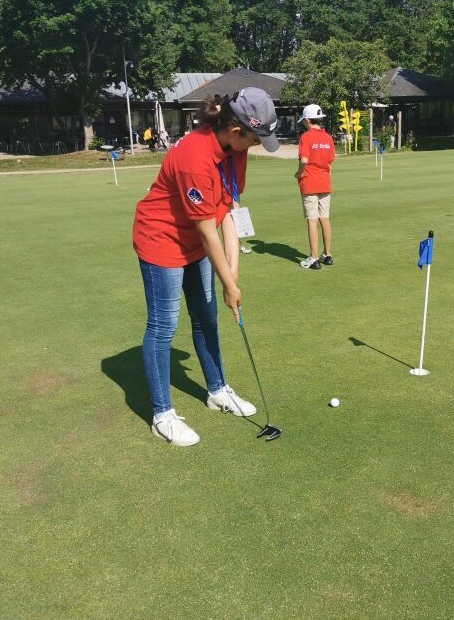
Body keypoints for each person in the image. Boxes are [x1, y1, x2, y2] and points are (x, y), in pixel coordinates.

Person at [132, 87, 280, 446]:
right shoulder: (194, 156)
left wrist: (234, 274)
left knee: (207, 316)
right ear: (236, 130)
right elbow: (205, 231)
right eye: (258, 137)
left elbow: (228, 212)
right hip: (162, 239)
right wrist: (228, 285)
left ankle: (217, 391)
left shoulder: (237, 151)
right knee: (164, 325)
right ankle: (162, 415)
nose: (261, 144)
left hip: (198, 240)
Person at [295, 103, 335, 270]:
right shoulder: (328, 137)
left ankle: (313, 258)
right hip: (325, 182)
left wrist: (298, 173)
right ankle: (327, 255)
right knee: (324, 219)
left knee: (312, 220)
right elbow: (330, 162)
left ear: (307, 120)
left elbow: (304, 160)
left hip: (310, 182)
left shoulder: (306, 136)